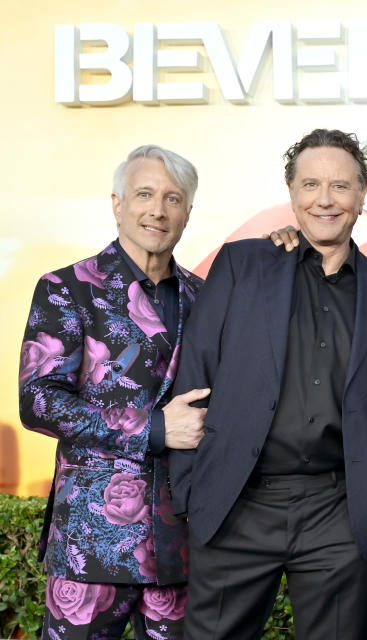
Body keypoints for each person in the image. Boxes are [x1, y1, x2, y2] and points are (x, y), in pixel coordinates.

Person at [168, 128, 367, 640]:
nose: (324, 199)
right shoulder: (243, 265)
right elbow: (195, 377)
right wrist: (193, 494)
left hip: (339, 515)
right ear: (291, 193)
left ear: (362, 195)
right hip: (237, 505)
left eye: (340, 186)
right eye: (310, 184)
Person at [19, 145, 208, 640]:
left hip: (181, 545)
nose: (157, 209)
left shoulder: (206, 297)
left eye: (172, 198)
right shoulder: (67, 287)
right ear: (117, 203)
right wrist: (155, 428)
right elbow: (38, 399)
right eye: (144, 194)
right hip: (91, 543)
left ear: (188, 212)